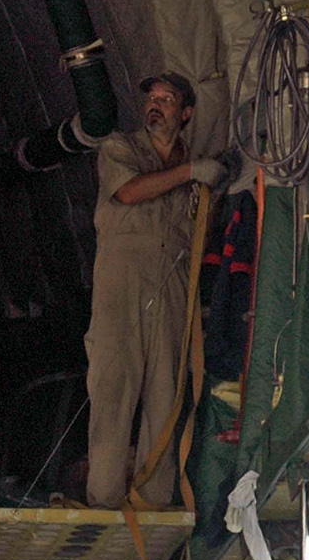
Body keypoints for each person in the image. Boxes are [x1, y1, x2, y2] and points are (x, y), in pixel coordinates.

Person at [86, 70, 239, 509]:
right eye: (152, 98)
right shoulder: (120, 148)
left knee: (165, 392)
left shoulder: (192, 172)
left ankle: (153, 503)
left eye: (167, 100)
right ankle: (104, 500)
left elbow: (200, 240)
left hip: (171, 288)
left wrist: (214, 189)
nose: (156, 105)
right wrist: (192, 171)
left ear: (186, 113)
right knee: (114, 387)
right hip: (122, 284)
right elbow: (129, 193)